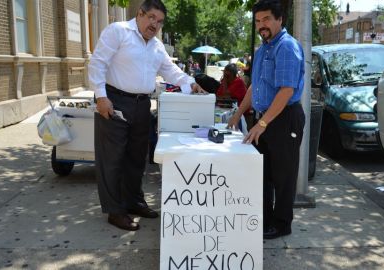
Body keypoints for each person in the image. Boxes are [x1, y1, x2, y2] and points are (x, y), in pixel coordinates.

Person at [89, 0, 206, 231]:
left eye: (160, 21)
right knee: (112, 159)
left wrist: (190, 82)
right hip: (114, 100)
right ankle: (115, 210)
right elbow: (97, 63)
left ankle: (134, 201)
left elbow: (170, 70)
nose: (155, 25)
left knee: (136, 158)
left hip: (142, 105)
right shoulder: (118, 31)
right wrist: (101, 97)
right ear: (140, 14)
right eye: (152, 18)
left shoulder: (156, 46)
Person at [227, 0, 305, 240]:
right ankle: (264, 220)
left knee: (283, 176)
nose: (262, 25)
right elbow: (255, 87)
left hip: (283, 119)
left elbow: (286, 91)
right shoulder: (262, 50)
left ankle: (282, 225)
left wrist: (262, 124)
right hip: (264, 120)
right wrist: (238, 114)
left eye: (266, 20)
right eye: (258, 21)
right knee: (262, 174)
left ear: (280, 19)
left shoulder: (287, 47)